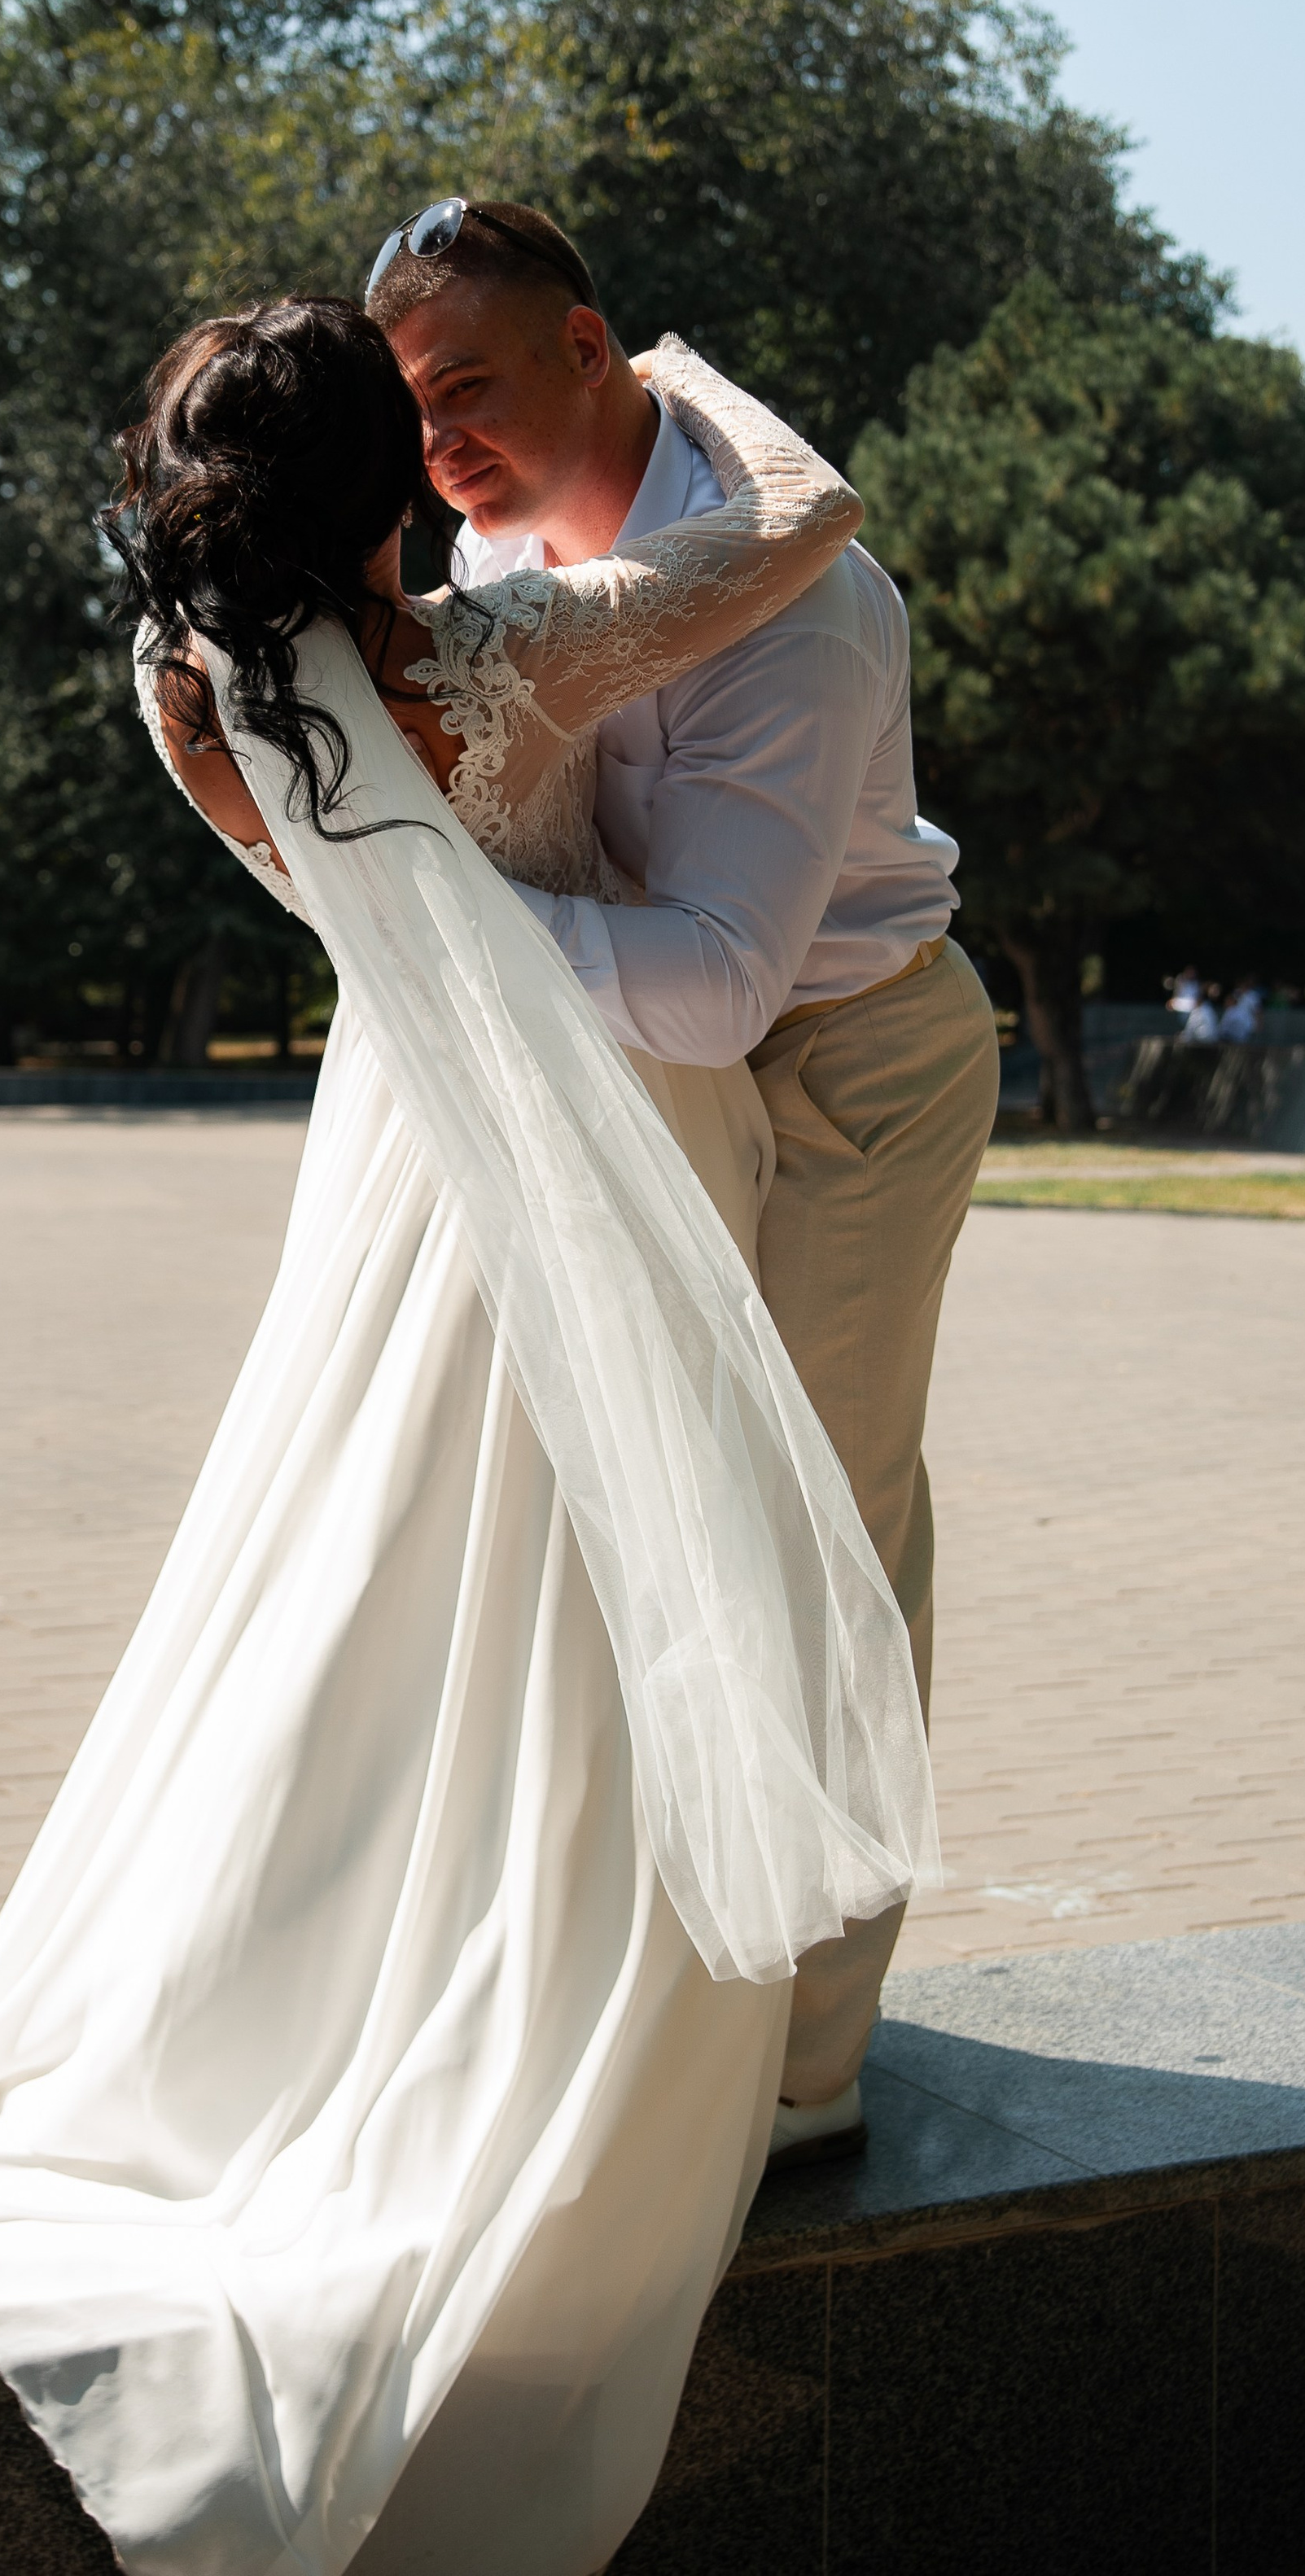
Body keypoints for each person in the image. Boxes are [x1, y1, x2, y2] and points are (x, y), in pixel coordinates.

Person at [0, 293, 937, 2576]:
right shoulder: (513, 657)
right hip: (627, 1140)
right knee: (601, 1583)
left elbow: (358, 916)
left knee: (357, 1570)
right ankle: (633, 2041)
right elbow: (802, 524)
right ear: (387, 489)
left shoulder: (187, 695)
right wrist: (668, 370)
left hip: (408, 1143)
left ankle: (336, 2004)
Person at [370, 201, 1000, 2166]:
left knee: (820, 1521)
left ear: (586, 345)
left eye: (464, 383)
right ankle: (640, 1994)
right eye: (407, 408)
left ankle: (807, 2055)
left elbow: (725, 982)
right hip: (634, 1074)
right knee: (629, 1520)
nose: (439, 441)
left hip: (849, 1061)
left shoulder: (803, 601)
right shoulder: (482, 550)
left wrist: (434, 941)